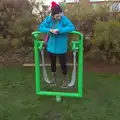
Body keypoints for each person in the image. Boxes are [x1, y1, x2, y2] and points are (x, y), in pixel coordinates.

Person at [38, 1, 75, 88]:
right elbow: (41, 27)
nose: (59, 16)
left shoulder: (64, 19)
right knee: (52, 64)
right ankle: (53, 77)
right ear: (53, 15)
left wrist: (60, 30)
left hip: (61, 47)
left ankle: (65, 79)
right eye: (57, 15)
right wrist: (50, 30)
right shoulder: (48, 19)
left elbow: (72, 27)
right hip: (51, 47)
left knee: (63, 64)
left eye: (60, 14)